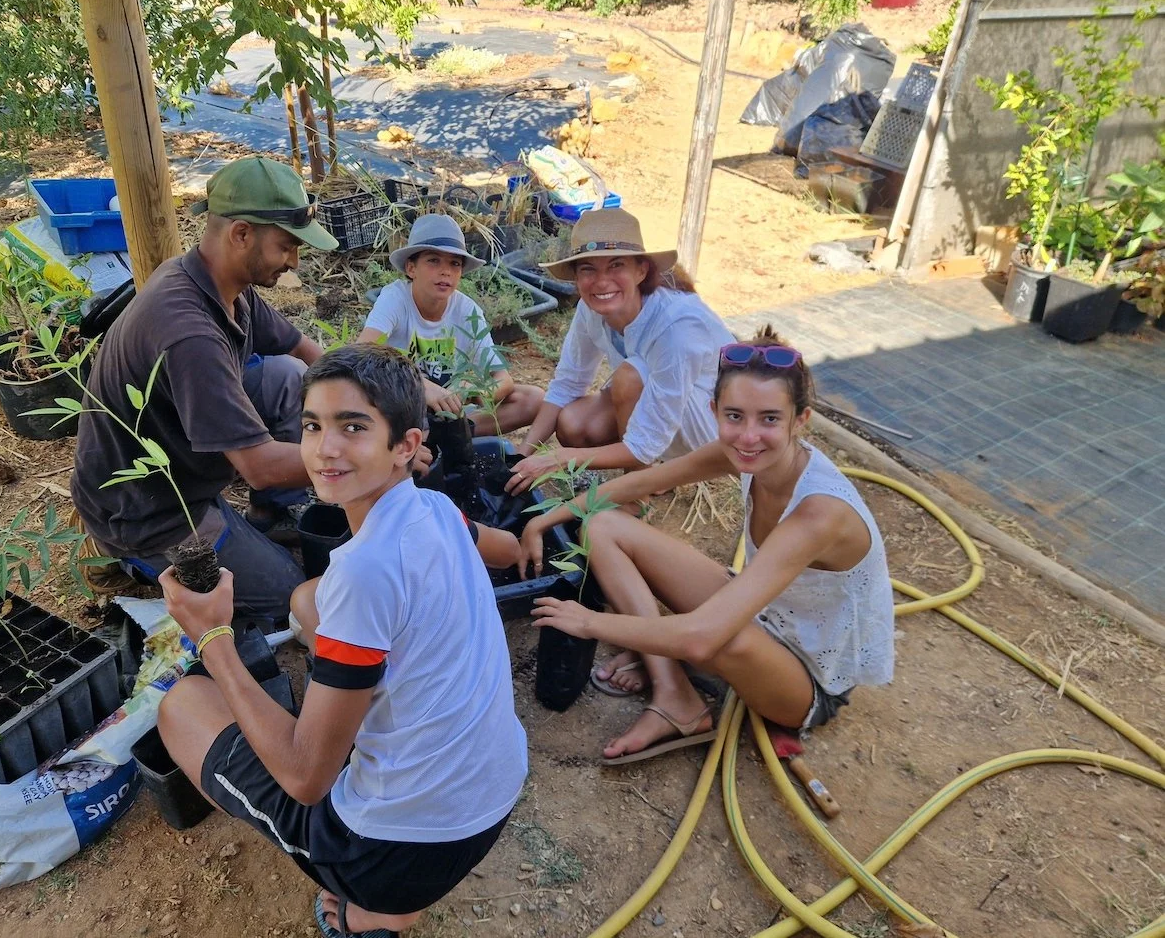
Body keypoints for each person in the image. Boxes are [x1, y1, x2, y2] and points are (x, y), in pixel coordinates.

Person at [157, 344, 527, 938]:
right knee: (309, 599)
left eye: (353, 427)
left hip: (393, 853)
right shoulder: (436, 509)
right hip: (492, 796)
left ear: (406, 445)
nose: (325, 449)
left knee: (182, 707)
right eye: (312, 426)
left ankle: (375, 909)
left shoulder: (365, 571)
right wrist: (525, 542)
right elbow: (505, 550)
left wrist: (212, 637)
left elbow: (306, 779)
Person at [520, 327, 896, 764]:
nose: (748, 436)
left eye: (769, 419)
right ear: (715, 410)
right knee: (602, 526)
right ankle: (674, 692)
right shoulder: (740, 451)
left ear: (800, 421)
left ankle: (665, 664)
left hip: (808, 679)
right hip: (759, 612)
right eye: (735, 416)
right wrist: (547, 518)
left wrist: (589, 622)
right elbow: (642, 482)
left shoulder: (819, 513)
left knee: (720, 640)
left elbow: (701, 639)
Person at [71, 156, 345, 627]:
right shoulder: (189, 333)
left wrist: (376, 389)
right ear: (241, 234)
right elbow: (260, 467)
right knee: (287, 596)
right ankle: (120, 554)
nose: (293, 262)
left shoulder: (223, 284)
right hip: (148, 508)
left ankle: (271, 514)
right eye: (286, 246)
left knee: (285, 376)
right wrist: (367, 460)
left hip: (182, 455)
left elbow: (303, 349)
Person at [505, 207, 734, 494]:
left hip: (715, 426)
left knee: (629, 377)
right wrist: (522, 455)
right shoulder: (590, 309)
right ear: (576, 277)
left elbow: (644, 443)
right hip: (665, 405)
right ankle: (651, 474)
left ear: (641, 270)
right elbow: (568, 383)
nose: (602, 282)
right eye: (588, 269)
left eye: (616, 266)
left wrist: (560, 458)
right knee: (574, 424)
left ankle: (637, 492)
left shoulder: (677, 324)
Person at [356, 213, 543, 437]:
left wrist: (471, 390)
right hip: (400, 409)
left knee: (532, 399)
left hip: (446, 412)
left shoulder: (467, 310)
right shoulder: (395, 299)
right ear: (411, 268)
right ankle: (406, 439)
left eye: (454, 263)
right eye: (433, 260)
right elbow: (361, 355)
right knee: (358, 393)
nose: (446, 271)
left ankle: (449, 435)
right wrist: (420, 386)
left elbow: (503, 380)